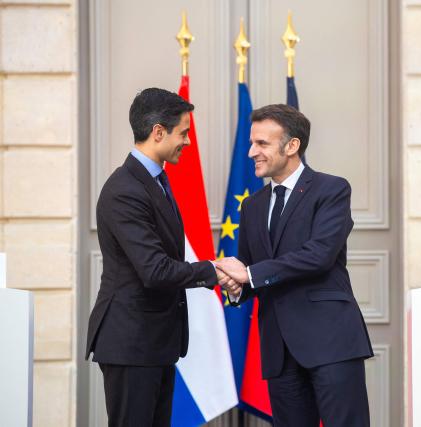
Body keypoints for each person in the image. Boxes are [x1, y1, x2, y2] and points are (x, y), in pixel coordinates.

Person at [216, 104, 373, 427]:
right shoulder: (252, 206)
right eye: (251, 143)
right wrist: (234, 285)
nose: (251, 153)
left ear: (292, 146)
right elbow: (250, 269)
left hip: (330, 343)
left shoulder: (331, 190)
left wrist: (248, 274)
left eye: (262, 144)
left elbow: (319, 254)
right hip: (278, 349)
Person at [85, 88, 222, 427]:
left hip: (153, 342)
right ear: (158, 132)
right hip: (131, 342)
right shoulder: (125, 189)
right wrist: (214, 270)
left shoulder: (155, 180)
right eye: (183, 132)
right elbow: (154, 270)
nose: (188, 142)